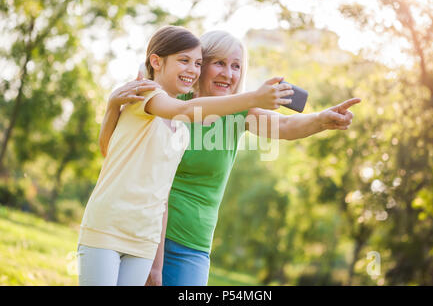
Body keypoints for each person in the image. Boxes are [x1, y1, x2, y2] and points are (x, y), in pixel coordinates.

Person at [99, 30, 361, 286]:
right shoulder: (172, 103)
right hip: (146, 232)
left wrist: (322, 119)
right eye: (220, 63)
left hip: (194, 242)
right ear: (201, 66)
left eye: (236, 66)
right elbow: (117, 150)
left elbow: (284, 126)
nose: (228, 73)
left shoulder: (239, 113)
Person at [77, 26, 293, 286]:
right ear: (156, 62)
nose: (192, 69)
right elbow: (182, 110)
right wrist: (113, 104)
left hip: (143, 238)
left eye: (197, 63)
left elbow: (162, 195)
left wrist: (156, 266)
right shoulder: (149, 94)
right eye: (184, 60)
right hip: (108, 227)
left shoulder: (178, 129)